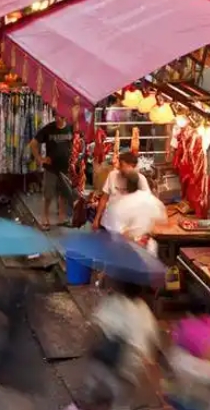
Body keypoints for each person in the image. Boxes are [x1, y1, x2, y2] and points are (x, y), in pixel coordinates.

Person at [85, 280, 160, 409]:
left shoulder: (113, 302)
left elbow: (97, 329)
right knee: (122, 402)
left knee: (94, 383)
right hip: (131, 370)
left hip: (107, 363)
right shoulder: (145, 311)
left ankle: (90, 398)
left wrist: (88, 347)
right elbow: (151, 344)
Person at [101, 170, 165, 250]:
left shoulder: (119, 205)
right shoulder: (150, 199)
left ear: (126, 186)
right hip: (146, 247)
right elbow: (161, 220)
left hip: (128, 249)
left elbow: (117, 232)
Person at [30, 115, 74, 229]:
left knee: (64, 193)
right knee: (48, 194)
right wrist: (39, 159)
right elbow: (33, 143)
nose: (58, 119)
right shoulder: (48, 128)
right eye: (56, 116)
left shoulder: (70, 128)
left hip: (66, 167)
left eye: (61, 117)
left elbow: (76, 141)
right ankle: (45, 217)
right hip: (51, 168)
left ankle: (62, 217)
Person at [93, 152, 151, 232]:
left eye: (123, 165)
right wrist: (97, 218)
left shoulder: (140, 179)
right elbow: (104, 198)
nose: (120, 168)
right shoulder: (112, 175)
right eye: (120, 165)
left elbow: (147, 202)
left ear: (132, 166)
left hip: (128, 226)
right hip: (110, 222)